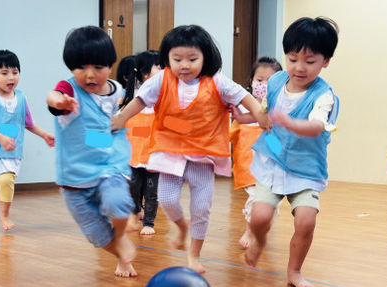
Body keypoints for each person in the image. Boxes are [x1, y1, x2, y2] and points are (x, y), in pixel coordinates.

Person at [112, 25, 269, 273]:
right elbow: (139, 101)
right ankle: (182, 227)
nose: (184, 65)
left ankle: (193, 255)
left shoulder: (217, 81)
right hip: (169, 150)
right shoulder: (162, 79)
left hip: (203, 155)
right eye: (177, 59)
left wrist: (260, 115)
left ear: (205, 57)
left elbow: (242, 96)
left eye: (192, 59)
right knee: (167, 199)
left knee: (201, 209)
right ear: (168, 59)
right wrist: (120, 119)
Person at [232, 17, 339, 287]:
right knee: (259, 217)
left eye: (310, 61)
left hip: (305, 167)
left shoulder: (323, 95)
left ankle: (294, 271)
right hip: (274, 156)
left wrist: (291, 123)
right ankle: (259, 239)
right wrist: (243, 118)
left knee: (306, 220)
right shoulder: (277, 81)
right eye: (292, 59)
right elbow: (265, 115)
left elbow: (316, 126)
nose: (299, 68)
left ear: (325, 61)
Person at [46, 26, 137, 278]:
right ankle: (120, 253)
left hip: (109, 168)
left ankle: (122, 236)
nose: (89, 75)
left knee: (117, 202)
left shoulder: (117, 91)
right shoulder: (68, 90)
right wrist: (60, 103)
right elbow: (52, 96)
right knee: (97, 236)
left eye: (98, 67)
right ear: (71, 68)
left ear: (110, 65)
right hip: (74, 181)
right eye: (80, 68)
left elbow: (103, 130)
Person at [0, 50, 55, 231]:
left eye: (15, 72)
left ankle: (4, 215)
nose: (11, 77)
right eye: (4, 73)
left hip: (10, 151)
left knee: (5, 181)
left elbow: (28, 123)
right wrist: (0, 137)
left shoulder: (21, 97)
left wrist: (44, 134)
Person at [230, 56, 282, 249]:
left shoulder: (278, 109)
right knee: (255, 198)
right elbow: (232, 133)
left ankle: (259, 230)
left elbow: (278, 145)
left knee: (271, 205)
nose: (264, 85)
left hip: (271, 167)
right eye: (259, 80)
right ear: (251, 81)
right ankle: (250, 230)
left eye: (271, 81)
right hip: (249, 167)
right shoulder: (243, 107)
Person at [118, 51, 162, 235]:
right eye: (159, 67)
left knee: (152, 192)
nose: (163, 71)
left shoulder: (162, 98)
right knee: (133, 188)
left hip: (154, 155)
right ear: (145, 73)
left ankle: (149, 223)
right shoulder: (130, 101)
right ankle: (135, 213)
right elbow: (119, 126)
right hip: (133, 156)